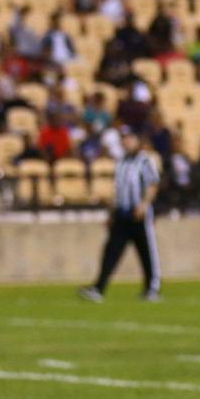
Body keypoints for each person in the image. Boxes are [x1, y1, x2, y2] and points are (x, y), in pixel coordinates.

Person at [78, 127, 162, 302]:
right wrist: (111, 214)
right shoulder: (121, 162)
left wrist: (144, 204)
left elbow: (152, 184)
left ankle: (151, 287)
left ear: (137, 140)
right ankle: (99, 287)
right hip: (122, 214)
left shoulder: (145, 161)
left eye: (129, 137)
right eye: (123, 138)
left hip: (138, 214)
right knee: (110, 251)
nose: (126, 141)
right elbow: (118, 191)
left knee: (146, 252)